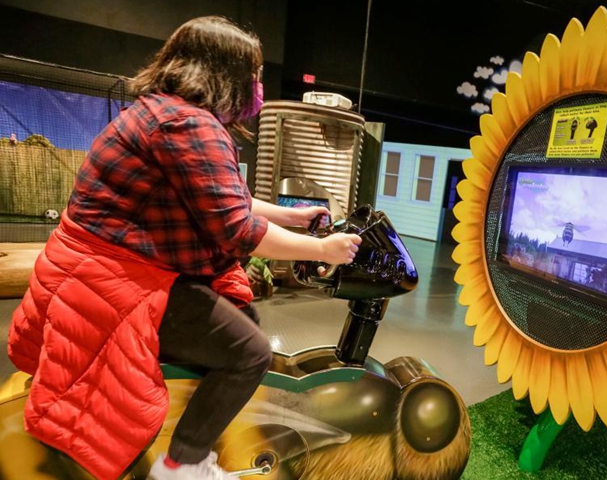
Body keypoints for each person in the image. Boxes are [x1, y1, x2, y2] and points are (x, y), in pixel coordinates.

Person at [6, 16, 361, 480]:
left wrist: (293, 217)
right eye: (253, 75)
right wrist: (325, 251)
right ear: (224, 72)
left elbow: (221, 195)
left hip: (100, 271)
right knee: (250, 352)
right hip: (114, 282)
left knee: (240, 320)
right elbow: (237, 229)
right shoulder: (188, 124)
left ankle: (185, 430)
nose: (257, 86)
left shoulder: (166, 113)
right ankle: (183, 464)